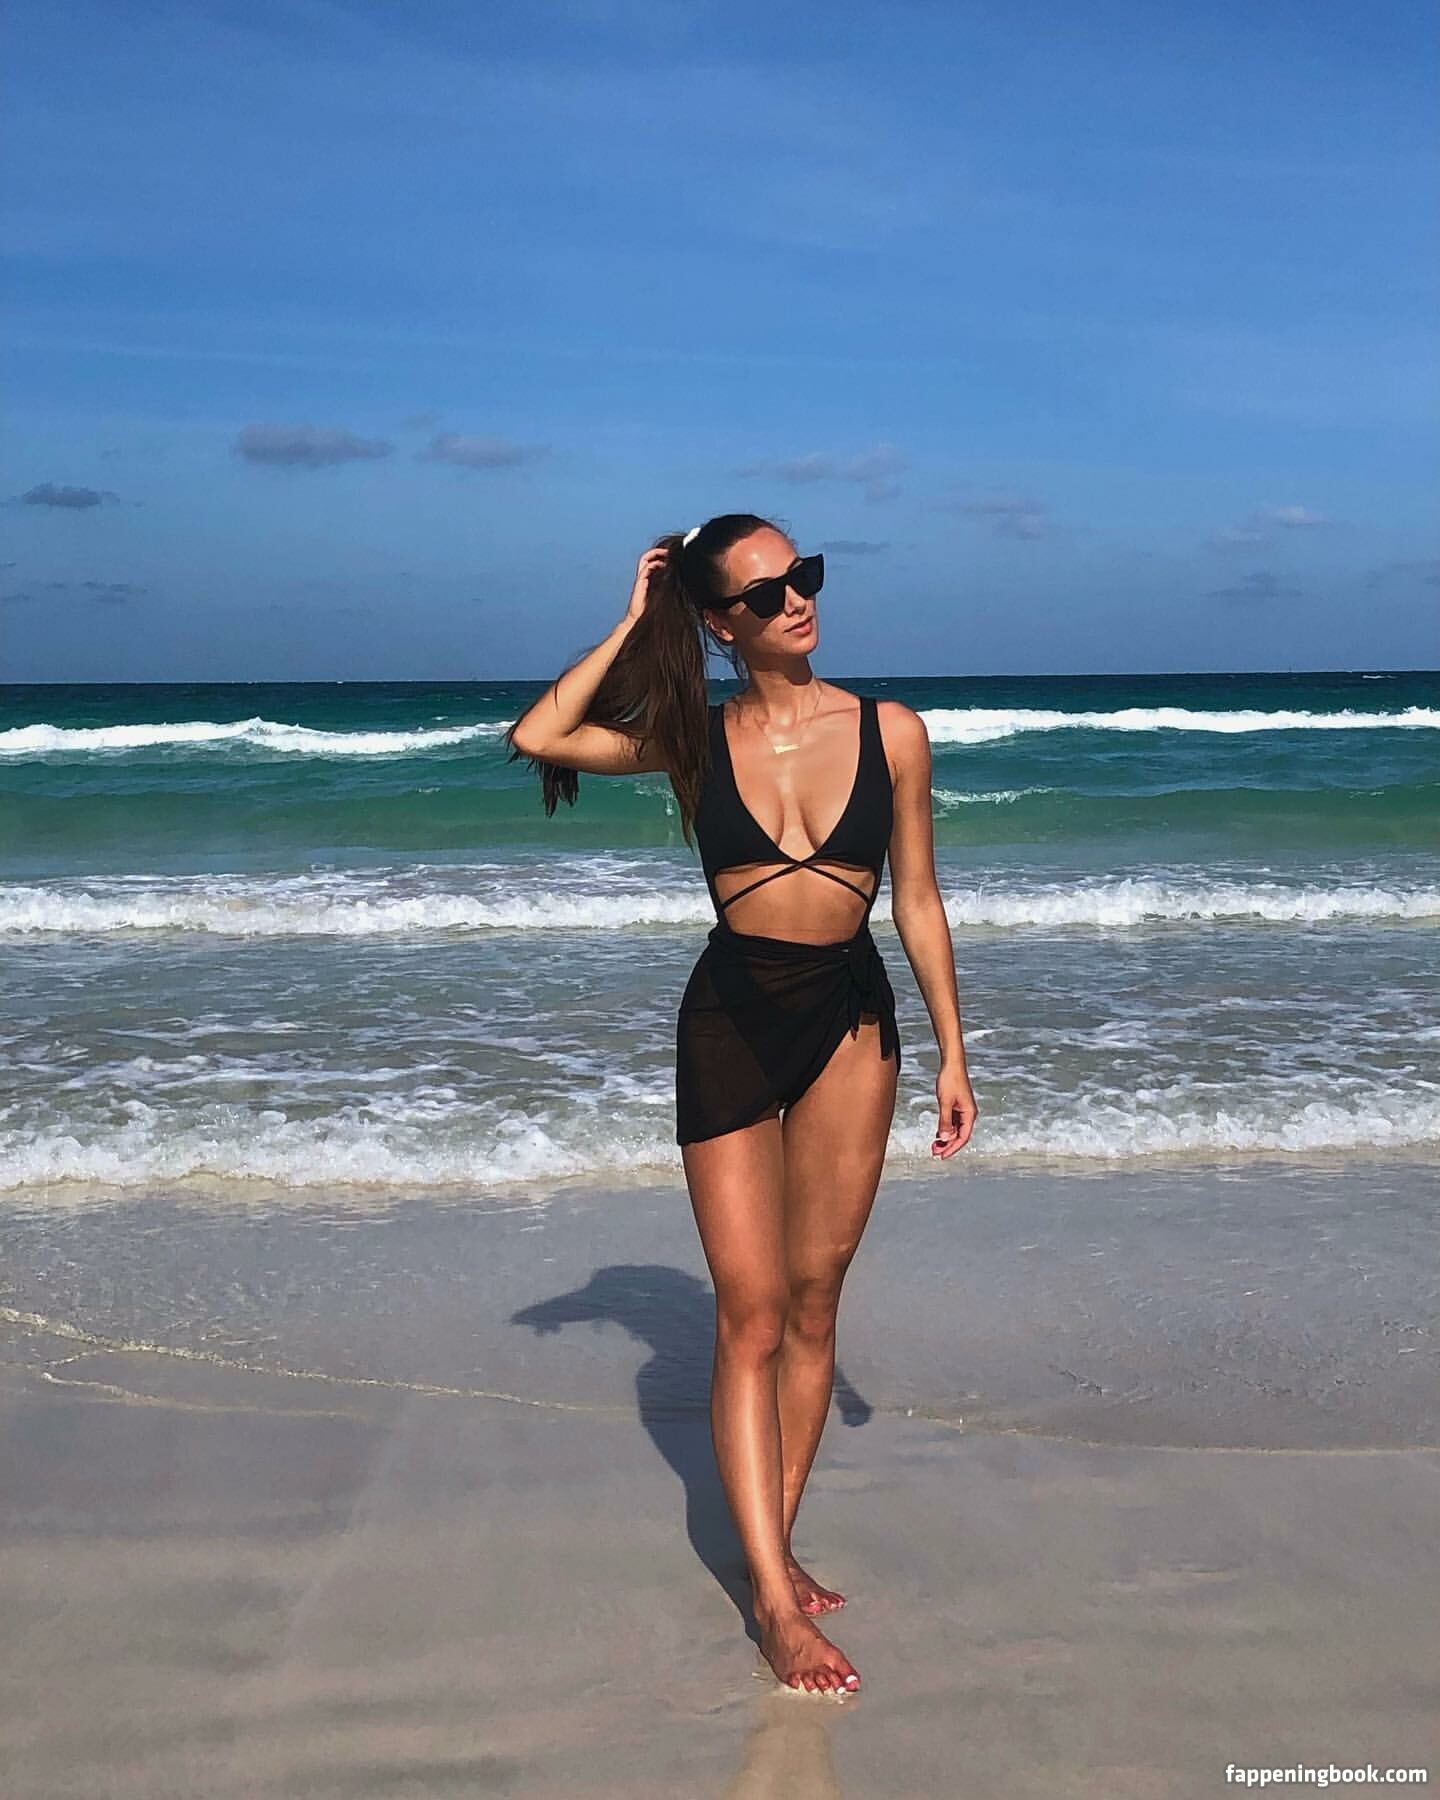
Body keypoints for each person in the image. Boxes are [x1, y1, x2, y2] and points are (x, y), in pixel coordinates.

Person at [507, 513, 977, 1696]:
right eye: (765, 594)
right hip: (730, 1022)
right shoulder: (693, 740)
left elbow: (918, 899)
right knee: (750, 1314)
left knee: (815, 1301)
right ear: (722, 624)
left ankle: (775, 1550)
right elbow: (539, 734)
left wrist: (953, 1053)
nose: (796, 602)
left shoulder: (892, 731)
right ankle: (772, 1602)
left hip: (851, 1022)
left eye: (803, 577)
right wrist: (636, 619)